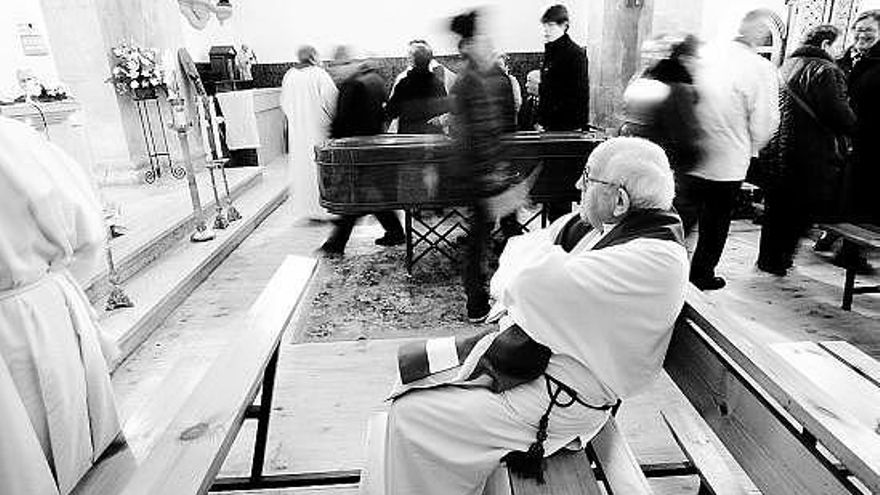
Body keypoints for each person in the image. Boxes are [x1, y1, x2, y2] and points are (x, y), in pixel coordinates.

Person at [358, 137, 688, 495]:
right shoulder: (611, 231)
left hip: (563, 398)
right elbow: (520, 256)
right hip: (546, 368)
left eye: (588, 178)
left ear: (620, 201)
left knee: (415, 418)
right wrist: (536, 270)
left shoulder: (651, 260)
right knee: (415, 385)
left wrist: (536, 269)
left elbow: (526, 283)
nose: (578, 186)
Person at [0, 116, 121, 494]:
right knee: (77, 453)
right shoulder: (16, 137)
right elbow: (87, 230)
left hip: (19, 322)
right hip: (44, 309)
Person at [675, 10, 779, 290]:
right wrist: (752, 147)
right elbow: (765, 121)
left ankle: (665, 268)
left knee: (681, 217)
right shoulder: (759, 67)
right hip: (728, 157)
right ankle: (701, 274)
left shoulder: (705, 55)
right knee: (715, 221)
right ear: (756, 33)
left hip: (692, 152)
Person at [756, 25, 856, 276]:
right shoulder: (826, 70)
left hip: (778, 148)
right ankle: (781, 260)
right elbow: (839, 115)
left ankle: (768, 259)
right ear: (825, 45)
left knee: (776, 209)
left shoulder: (787, 65)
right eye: (838, 44)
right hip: (809, 154)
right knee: (799, 210)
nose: (841, 50)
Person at [446, 11, 506, 323]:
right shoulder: (472, 80)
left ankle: (483, 296)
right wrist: (490, 169)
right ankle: (477, 303)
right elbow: (480, 130)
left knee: (483, 236)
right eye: (480, 41)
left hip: (477, 170)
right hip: (479, 173)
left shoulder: (468, 77)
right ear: (469, 45)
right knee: (480, 240)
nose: (486, 46)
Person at [319, 60, 406, 255]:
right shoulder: (375, 80)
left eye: (336, 66)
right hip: (371, 145)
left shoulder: (352, 85)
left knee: (357, 198)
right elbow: (384, 112)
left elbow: (343, 120)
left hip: (355, 149)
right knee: (370, 195)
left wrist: (335, 144)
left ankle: (337, 242)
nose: (334, 71)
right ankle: (395, 231)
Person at [620, 34, 703, 173]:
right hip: (661, 166)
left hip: (637, 159)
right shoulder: (677, 89)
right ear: (685, 59)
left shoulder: (641, 81)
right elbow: (684, 139)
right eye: (697, 58)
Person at [539, 4, 591, 221]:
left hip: (564, 131)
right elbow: (547, 92)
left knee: (560, 191)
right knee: (551, 190)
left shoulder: (574, 54)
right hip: (550, 129)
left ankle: (560, 233)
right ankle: (552, 230)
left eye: (551, 25)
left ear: (565, 25)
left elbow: (577, 96)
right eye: (544, 25)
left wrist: (555, 122)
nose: (546, 30)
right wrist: (541, 120)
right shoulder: (552, 52)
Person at [280, 45, 338, 222]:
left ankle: (307, 208)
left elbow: (284, 103)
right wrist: (331, 120)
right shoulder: (319, 74)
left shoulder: (290, 75)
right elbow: (332, 101)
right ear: (314, 56)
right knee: (319, 166)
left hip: (298, 132)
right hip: (318, 130)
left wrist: (296, 119)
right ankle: (324, 207)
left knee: (303, 167)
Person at [385, 43, 448, 134]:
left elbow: (392, 112)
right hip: (431, 136)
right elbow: (445, 109)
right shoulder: (437, 83)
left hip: (409, 135)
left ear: (412, 61)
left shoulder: (404, 84)